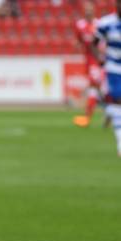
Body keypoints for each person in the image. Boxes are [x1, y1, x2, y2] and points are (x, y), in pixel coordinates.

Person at [94, 0, 121, 156]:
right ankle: (120, 142)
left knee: (116, 106)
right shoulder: (106, 23)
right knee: (119, 101)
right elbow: (94, 42)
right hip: (113, 67)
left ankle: (109, 110)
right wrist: (99, 56)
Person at [73, 1, 104, 128]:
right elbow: (78, 40)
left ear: (94, 10)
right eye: (86, 10)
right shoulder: (80, 25)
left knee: (95, 87)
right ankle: (107, 115)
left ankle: (87, 117)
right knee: (99, 90)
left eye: (90, 9)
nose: (88, 12)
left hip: (98, 61)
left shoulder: (99, 25)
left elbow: (103, 42)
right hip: (89, 61)